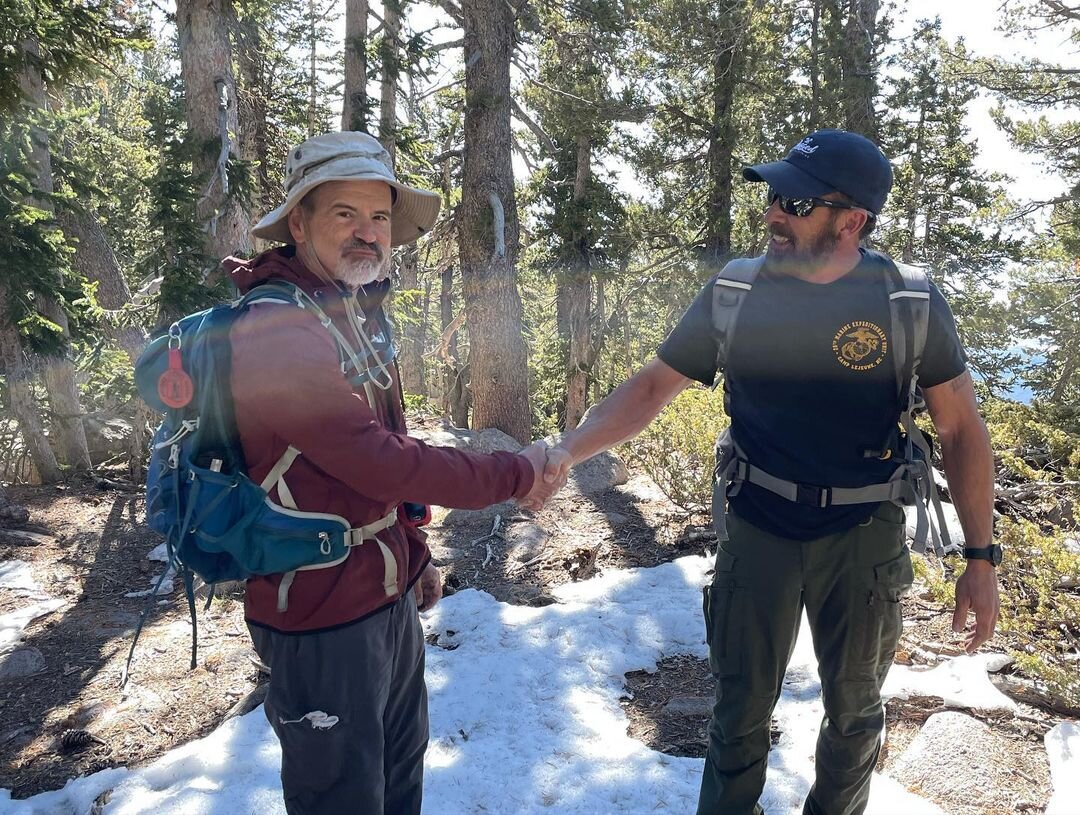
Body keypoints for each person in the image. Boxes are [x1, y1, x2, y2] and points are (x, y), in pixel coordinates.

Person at [537, 130, 1000, 815]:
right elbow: (649, 388)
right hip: (757, 527)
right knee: (737, 720)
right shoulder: (736, 291)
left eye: (797, 201)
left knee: (855, 719)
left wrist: (981, 558)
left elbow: (962, 428)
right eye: (772, 195)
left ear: (853, 220)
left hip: (864, 535)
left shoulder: (907, 302)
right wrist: (565, 451)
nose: (773, 212)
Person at [225, 131, 549, 815]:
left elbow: (386, 449)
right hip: (317, 610)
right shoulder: (273, 329)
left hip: (385, 593)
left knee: (400, 779)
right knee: (342, 797)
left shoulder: (351, 312)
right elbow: (371, 456)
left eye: (378, 218)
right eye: (344, 214)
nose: (367, 234)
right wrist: (515, 473)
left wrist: (415, 550)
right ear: (298, 222)